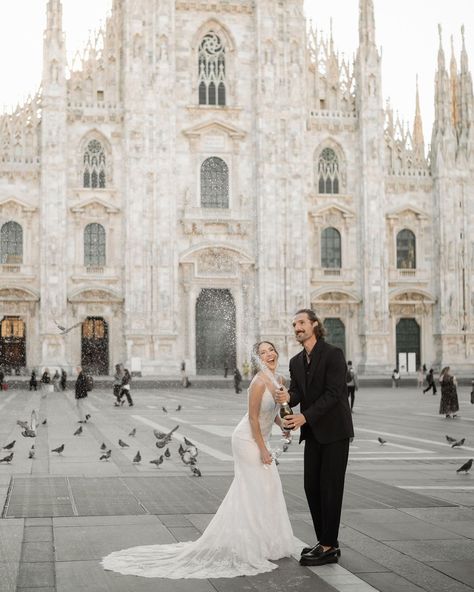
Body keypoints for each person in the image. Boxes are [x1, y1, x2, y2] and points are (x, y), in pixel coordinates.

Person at [102, 341, 297, 578]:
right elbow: (254, 419)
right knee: (255, 487)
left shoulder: (281, 381)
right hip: (247, 440)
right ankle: (251, 543)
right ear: (257, 359)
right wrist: (263, 449)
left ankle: (264, 540)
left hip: (260, 438)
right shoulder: (257, 382)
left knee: (266, 487)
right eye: (263, 352)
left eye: (271, 350)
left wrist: (284, 426)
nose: (269, 354)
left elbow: (272, 414)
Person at [276, 309, 354, 567]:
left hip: (335, 431)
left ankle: (329, 546)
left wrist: (304, 417)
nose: (297, 327)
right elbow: (298, 392)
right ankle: (325, 540)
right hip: (313, 434)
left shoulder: (333, 354)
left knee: (331, 488)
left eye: (301, 323)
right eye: (294, 324)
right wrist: (287, 397)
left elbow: (334, 394)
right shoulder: (297, 361)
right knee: (313, 487)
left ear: (314, 325)